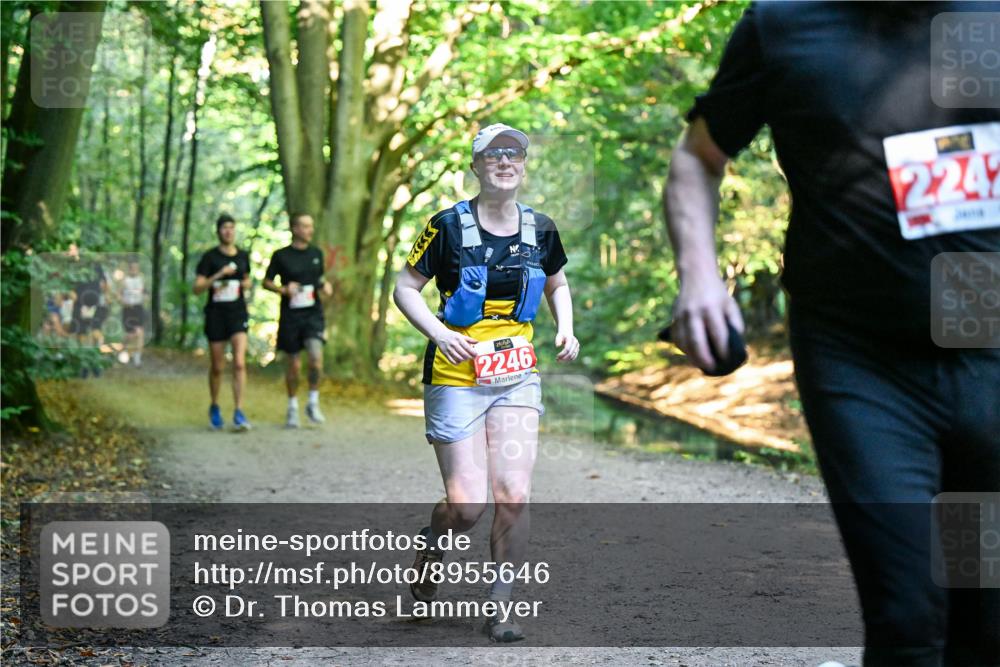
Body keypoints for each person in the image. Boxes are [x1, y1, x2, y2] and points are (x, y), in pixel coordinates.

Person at [663, 4, 999, 666]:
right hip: (863, 363)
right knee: (907, 611)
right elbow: (698, 157)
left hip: (987, 353)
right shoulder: (785, 25)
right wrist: (700, 278)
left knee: (982, 612)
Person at [393, 123, 579, 642]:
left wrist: (565, 326)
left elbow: (558, 283)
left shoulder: (540, 228)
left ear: (522, 166)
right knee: (468, 506)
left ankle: (501, 608)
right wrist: (438, 332)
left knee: (514, 493)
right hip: (454, 376)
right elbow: (405, 287)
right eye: (492, 154)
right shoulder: (446, 226)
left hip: (516, 376)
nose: (504, 161)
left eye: (513, 154)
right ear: (475, 166)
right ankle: (435, 539)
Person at [262, 213, 332, 428]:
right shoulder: (281, 255)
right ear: (294, 228)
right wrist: (283, 289)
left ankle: (312, 402)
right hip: (291, 317)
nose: (309, 230)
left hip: (313, 315)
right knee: (293, 365)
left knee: (315, 359)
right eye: (304, 226)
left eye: (311, 226)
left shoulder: (316, 253)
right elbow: (266, 282)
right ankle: (292, 407)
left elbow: (318, 279)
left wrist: (324, 286)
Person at [193, 214, 252, 431]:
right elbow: (197, 288)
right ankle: (215, 406)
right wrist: (218, 275)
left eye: (231, 228)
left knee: (239, 363)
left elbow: (247, 280)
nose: (228, 231)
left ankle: (239, 410)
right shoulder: (210, 258)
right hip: (216, 315)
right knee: (218, 366)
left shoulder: (243, 256)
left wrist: (246, 284)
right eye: (224, 228)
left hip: (237, 314)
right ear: (218, 231)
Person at [119, 258, 146, 367]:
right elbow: (118, 295)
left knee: (139, 332)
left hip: (138, 308)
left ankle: (137, 358)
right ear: (129, 269)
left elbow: (146, 294)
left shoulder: (141, 280)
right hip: (128, 310)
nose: (134, 270)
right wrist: (123, 301)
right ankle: (123, 350)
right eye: (132, 268)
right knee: (129, 335)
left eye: (136, 268)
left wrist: (144, 297)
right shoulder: (124, 281)